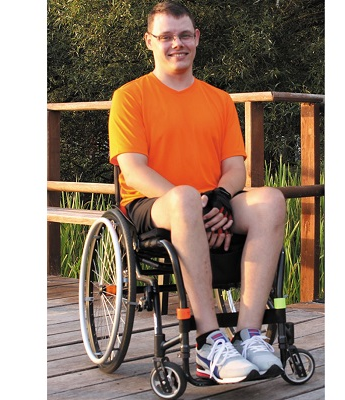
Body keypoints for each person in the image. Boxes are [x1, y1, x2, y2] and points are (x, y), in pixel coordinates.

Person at [109, 1, 286, 384]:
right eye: (166, 36)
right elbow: (134, 169)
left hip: (210, 201)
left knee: (271, 200)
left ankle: (249, 333)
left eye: (185, 35)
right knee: (185, 197)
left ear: (197, 38)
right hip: (152, 205)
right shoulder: (130, 96)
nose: (177, 43)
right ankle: (209, 341)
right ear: (150, 41)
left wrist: (219, 199)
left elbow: (235, 168)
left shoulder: (218, 99)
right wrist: (194, 205)